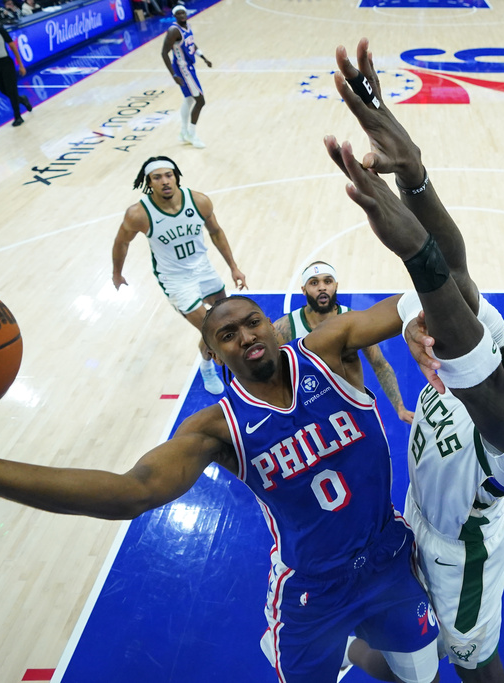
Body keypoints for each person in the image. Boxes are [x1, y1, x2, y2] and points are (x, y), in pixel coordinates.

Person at [0, 289, 443, 683]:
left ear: (274, 328)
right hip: (313, 592)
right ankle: (332, 645)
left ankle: (361, 649)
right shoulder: (215, 429)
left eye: (253, 323)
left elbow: (407, 301)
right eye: (227, 334)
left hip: (390, 561)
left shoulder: (327, 350)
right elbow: (130, 491)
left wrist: (418, 315)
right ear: (213, 354)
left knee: (420, 674)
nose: (246, 336)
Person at [322, 39, 504, 683]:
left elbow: (479, 383)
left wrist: (415, 258)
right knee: (411, 666)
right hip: (414, 512)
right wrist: (414, 174)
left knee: (473, 667)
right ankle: (355, 651)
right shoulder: (501, 333)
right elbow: (456, 267)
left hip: (463, 554)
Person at [111, 156, 247, 395]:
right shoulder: (138, 214)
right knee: (212, 329)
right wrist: (116, 273)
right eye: (157, 177)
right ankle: (208, 366)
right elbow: (122, 242)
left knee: (227, 319)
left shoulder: (199, 201)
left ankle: (223, 359)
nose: (164, 181)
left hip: (203, 270)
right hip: (175, 280)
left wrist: (234, 267)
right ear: (148, 182)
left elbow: (216, 232)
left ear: (176, 177)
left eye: (168, 175)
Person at [274, 260, 415, 424]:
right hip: (312, 418)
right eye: (314, 283)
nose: (322, 287)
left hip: (353, 412)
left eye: (327, 281)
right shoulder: (285, 327)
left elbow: (379, 364)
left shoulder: (354, 321)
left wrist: (400, 408)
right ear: (303, 290)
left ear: (336, 285)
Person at [160, 3, 211, 148]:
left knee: (189, 99)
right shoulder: (173, 31)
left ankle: (183, 132)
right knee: (200, 101)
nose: (182, 15)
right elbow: (164, 53)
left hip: (189, 67)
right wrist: (173, 74)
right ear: (175, 16)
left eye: (184, 13)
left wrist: (203, 57)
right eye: (179, 14)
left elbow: (191, 44)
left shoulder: (187, 26)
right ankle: (192, 134)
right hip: (183, 70)